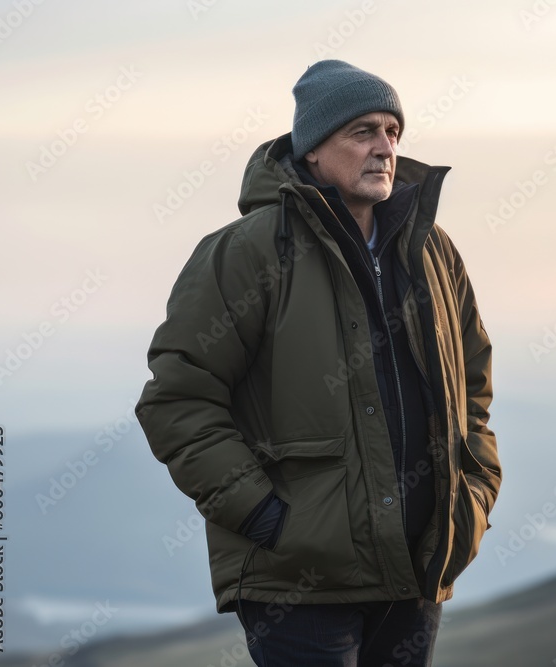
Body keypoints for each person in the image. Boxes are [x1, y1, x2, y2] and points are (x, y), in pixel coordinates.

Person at [135, 59, 501, 666]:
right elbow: (176, 398)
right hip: (298, 583)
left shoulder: (431, 250)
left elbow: (474, 386)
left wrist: (475, 490)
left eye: (392, 131)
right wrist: (264, 516)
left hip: (416, 570)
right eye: (362, 132)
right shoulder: (248, 251)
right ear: (311, 151)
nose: (384, 147)